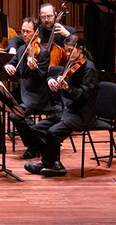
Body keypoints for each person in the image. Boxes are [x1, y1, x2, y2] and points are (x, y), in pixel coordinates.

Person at [24, 35, 98, 177]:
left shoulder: (89, 68)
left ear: (80, 49)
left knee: (53, 132)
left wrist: (67, 88)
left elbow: (83, 95)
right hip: (68, 109)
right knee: (38, 128)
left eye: (70, 51)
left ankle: (47, 163)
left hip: (82, 113)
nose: (68, 54)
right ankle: (53, 162)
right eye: (66, 51)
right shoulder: (71, 63)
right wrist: (52, 80)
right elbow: (56, 75)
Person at [0, 18, 53, 159]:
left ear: (36, 32)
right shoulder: (21, 49)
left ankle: (34, 146)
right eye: (23, 31)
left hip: (35, 97)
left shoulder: (43, 53)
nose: (24, 34)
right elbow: (11, 64)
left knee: (15, 115)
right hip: (21, 93)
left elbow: (41, 78)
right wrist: (7, 66)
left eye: (28, 31)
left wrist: (35, 69)